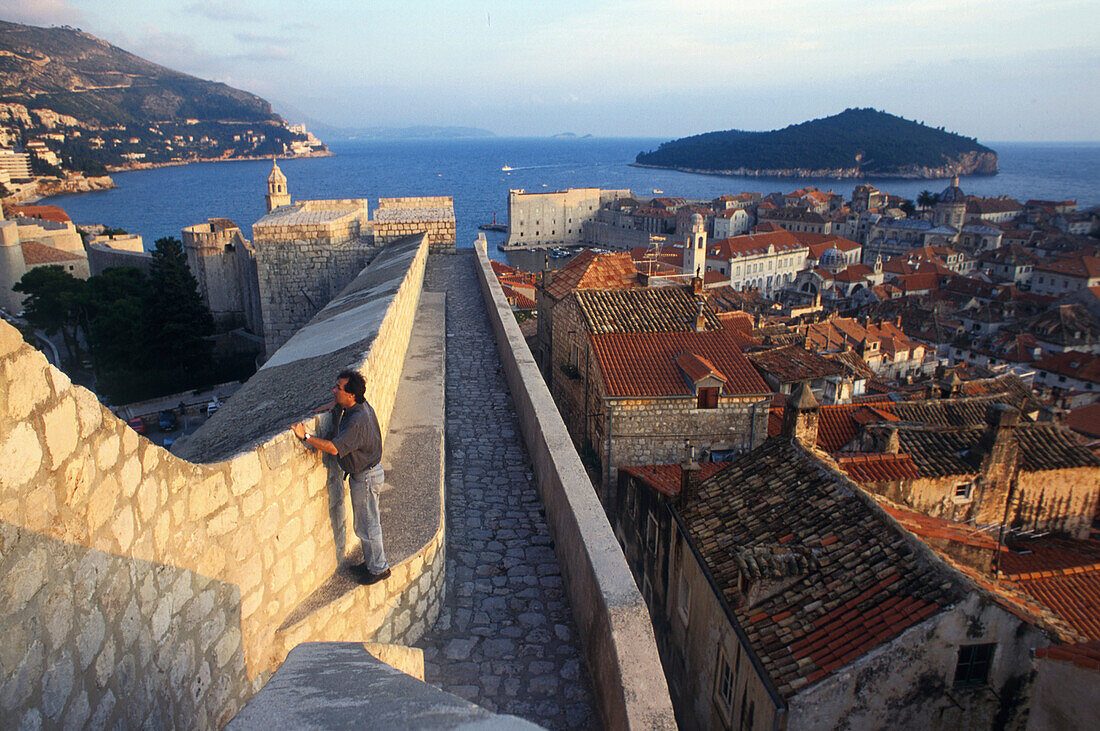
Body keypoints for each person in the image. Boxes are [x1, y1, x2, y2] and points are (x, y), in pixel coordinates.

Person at [290, 370, 390, 585]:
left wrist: (305, 436)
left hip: (365, 478)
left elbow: (334, 448)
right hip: (367, 474)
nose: (334, 390)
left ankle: (379, 569)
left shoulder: (356, 422)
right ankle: (374, 562)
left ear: (351, 395)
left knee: (367, 525)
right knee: (367, 523)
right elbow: (342, 408)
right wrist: (334, 405)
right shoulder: (358, 406)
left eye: (339, 389)